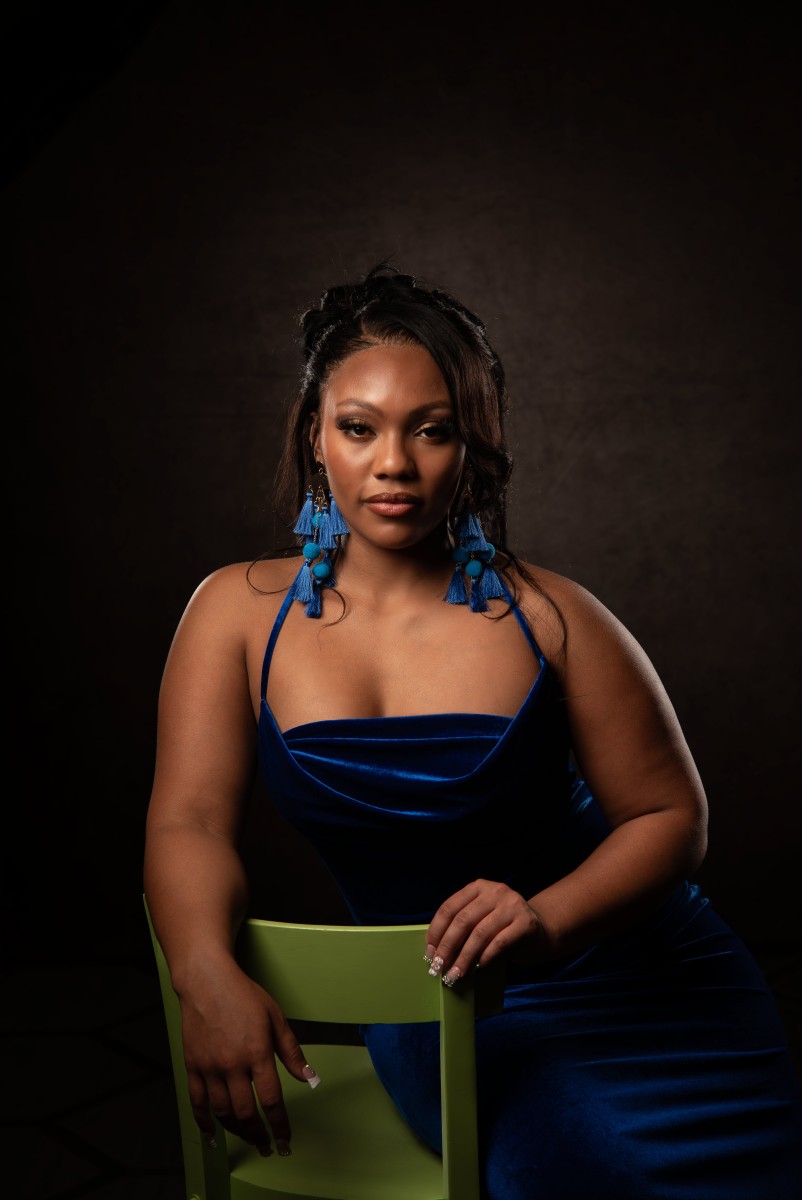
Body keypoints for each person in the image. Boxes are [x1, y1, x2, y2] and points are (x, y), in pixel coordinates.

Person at [143, 262, 802, 1198]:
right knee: (580, 1166)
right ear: (315, 436)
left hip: (659, 987)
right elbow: (189, 822)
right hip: (447, 1008)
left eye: (433, 429)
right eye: (359, 427)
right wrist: (202, 974)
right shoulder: (233, 614)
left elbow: (671, 817)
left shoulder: (553, 616)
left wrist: (545, 919)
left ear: (473, 445)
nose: (394, 464)